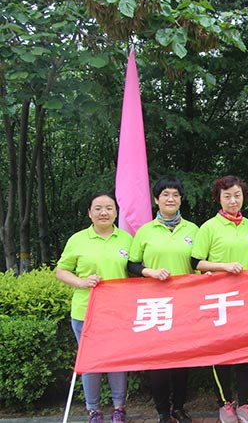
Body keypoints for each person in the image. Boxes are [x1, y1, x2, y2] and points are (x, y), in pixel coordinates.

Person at [127, 176, 199, 423]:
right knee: (157, 361)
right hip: (155, 305)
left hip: (185, 304)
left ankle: (179, 407)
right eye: (165, 194)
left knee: (181, 359)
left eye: (175, 195)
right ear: (156, 200)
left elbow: (199, 262)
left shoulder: (193, 230)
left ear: (181, 200)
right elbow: (131, 264)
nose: (171, 199)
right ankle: (162, 411)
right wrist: (149, 272)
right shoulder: (145, 231)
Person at [55, 192, 132, 423]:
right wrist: (81, 282)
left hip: (119, 312)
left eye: (109, 208)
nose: (103, 212)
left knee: (117, 360)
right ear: (89, 213)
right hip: (86, 312)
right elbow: (61, 270)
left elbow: (136, 270)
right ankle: (93, 410)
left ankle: (119, 408)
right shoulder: (78, 240)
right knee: (91, 363)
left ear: (116, 212)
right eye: (98, 208)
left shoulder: (127, 239)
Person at [191, 175, 248, 423]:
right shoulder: (209, 227)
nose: (233, 200)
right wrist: (224, 267)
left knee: (246, 352)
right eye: (227, 196)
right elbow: (196, 262)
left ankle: (245, 404)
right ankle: (225, 403)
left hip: (246, 299)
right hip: (218, 300)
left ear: (244, 197)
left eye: (237, 195)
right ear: (218, 199)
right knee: (221, 353)